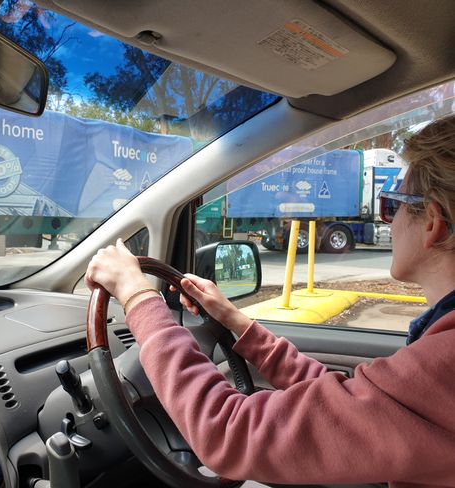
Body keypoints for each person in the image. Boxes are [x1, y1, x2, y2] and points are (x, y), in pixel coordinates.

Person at [85, 115, 455, 487]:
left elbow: (228, 431)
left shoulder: (445, 364)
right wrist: (235, 321)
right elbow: (350, 409)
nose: (389, 223)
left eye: (393, 206)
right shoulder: (437, 359)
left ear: (431, 223)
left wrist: (138, 297)